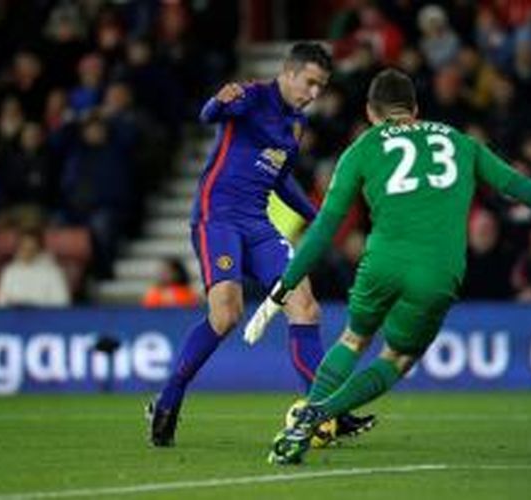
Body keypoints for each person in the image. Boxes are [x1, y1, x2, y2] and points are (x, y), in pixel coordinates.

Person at [244, 69, 531, 465]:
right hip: (437, 271)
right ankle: (318, 414)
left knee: (352, 339)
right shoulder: (461, 142)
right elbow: (524, 189)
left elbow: (325, 227)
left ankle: (304, 417)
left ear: (369, 112)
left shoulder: (361, 148)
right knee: (396, 358)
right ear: (415, 109)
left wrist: (282, 289)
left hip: (381, 262)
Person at [147, 43, 374, 447]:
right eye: (310, 83)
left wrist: (317, 216)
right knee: (227, 314)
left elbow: (281, 180)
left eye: (321, 87)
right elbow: (209, 115)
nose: (314, 93)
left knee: (305, 306)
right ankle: (168, 399)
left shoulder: (296, 123)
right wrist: (218, 100)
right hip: (217, 219)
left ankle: (327, 410)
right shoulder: (252, 96)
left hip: (258, 224)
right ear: (288, 73)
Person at [0, 230, 71, 308]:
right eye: (24, 248)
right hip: (15, 318)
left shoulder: (53, 272)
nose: (27, 252)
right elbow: (0, 303)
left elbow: (62, 304)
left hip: (44, 318)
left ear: (39, 249)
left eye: (32, 248)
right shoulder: (9, 271)